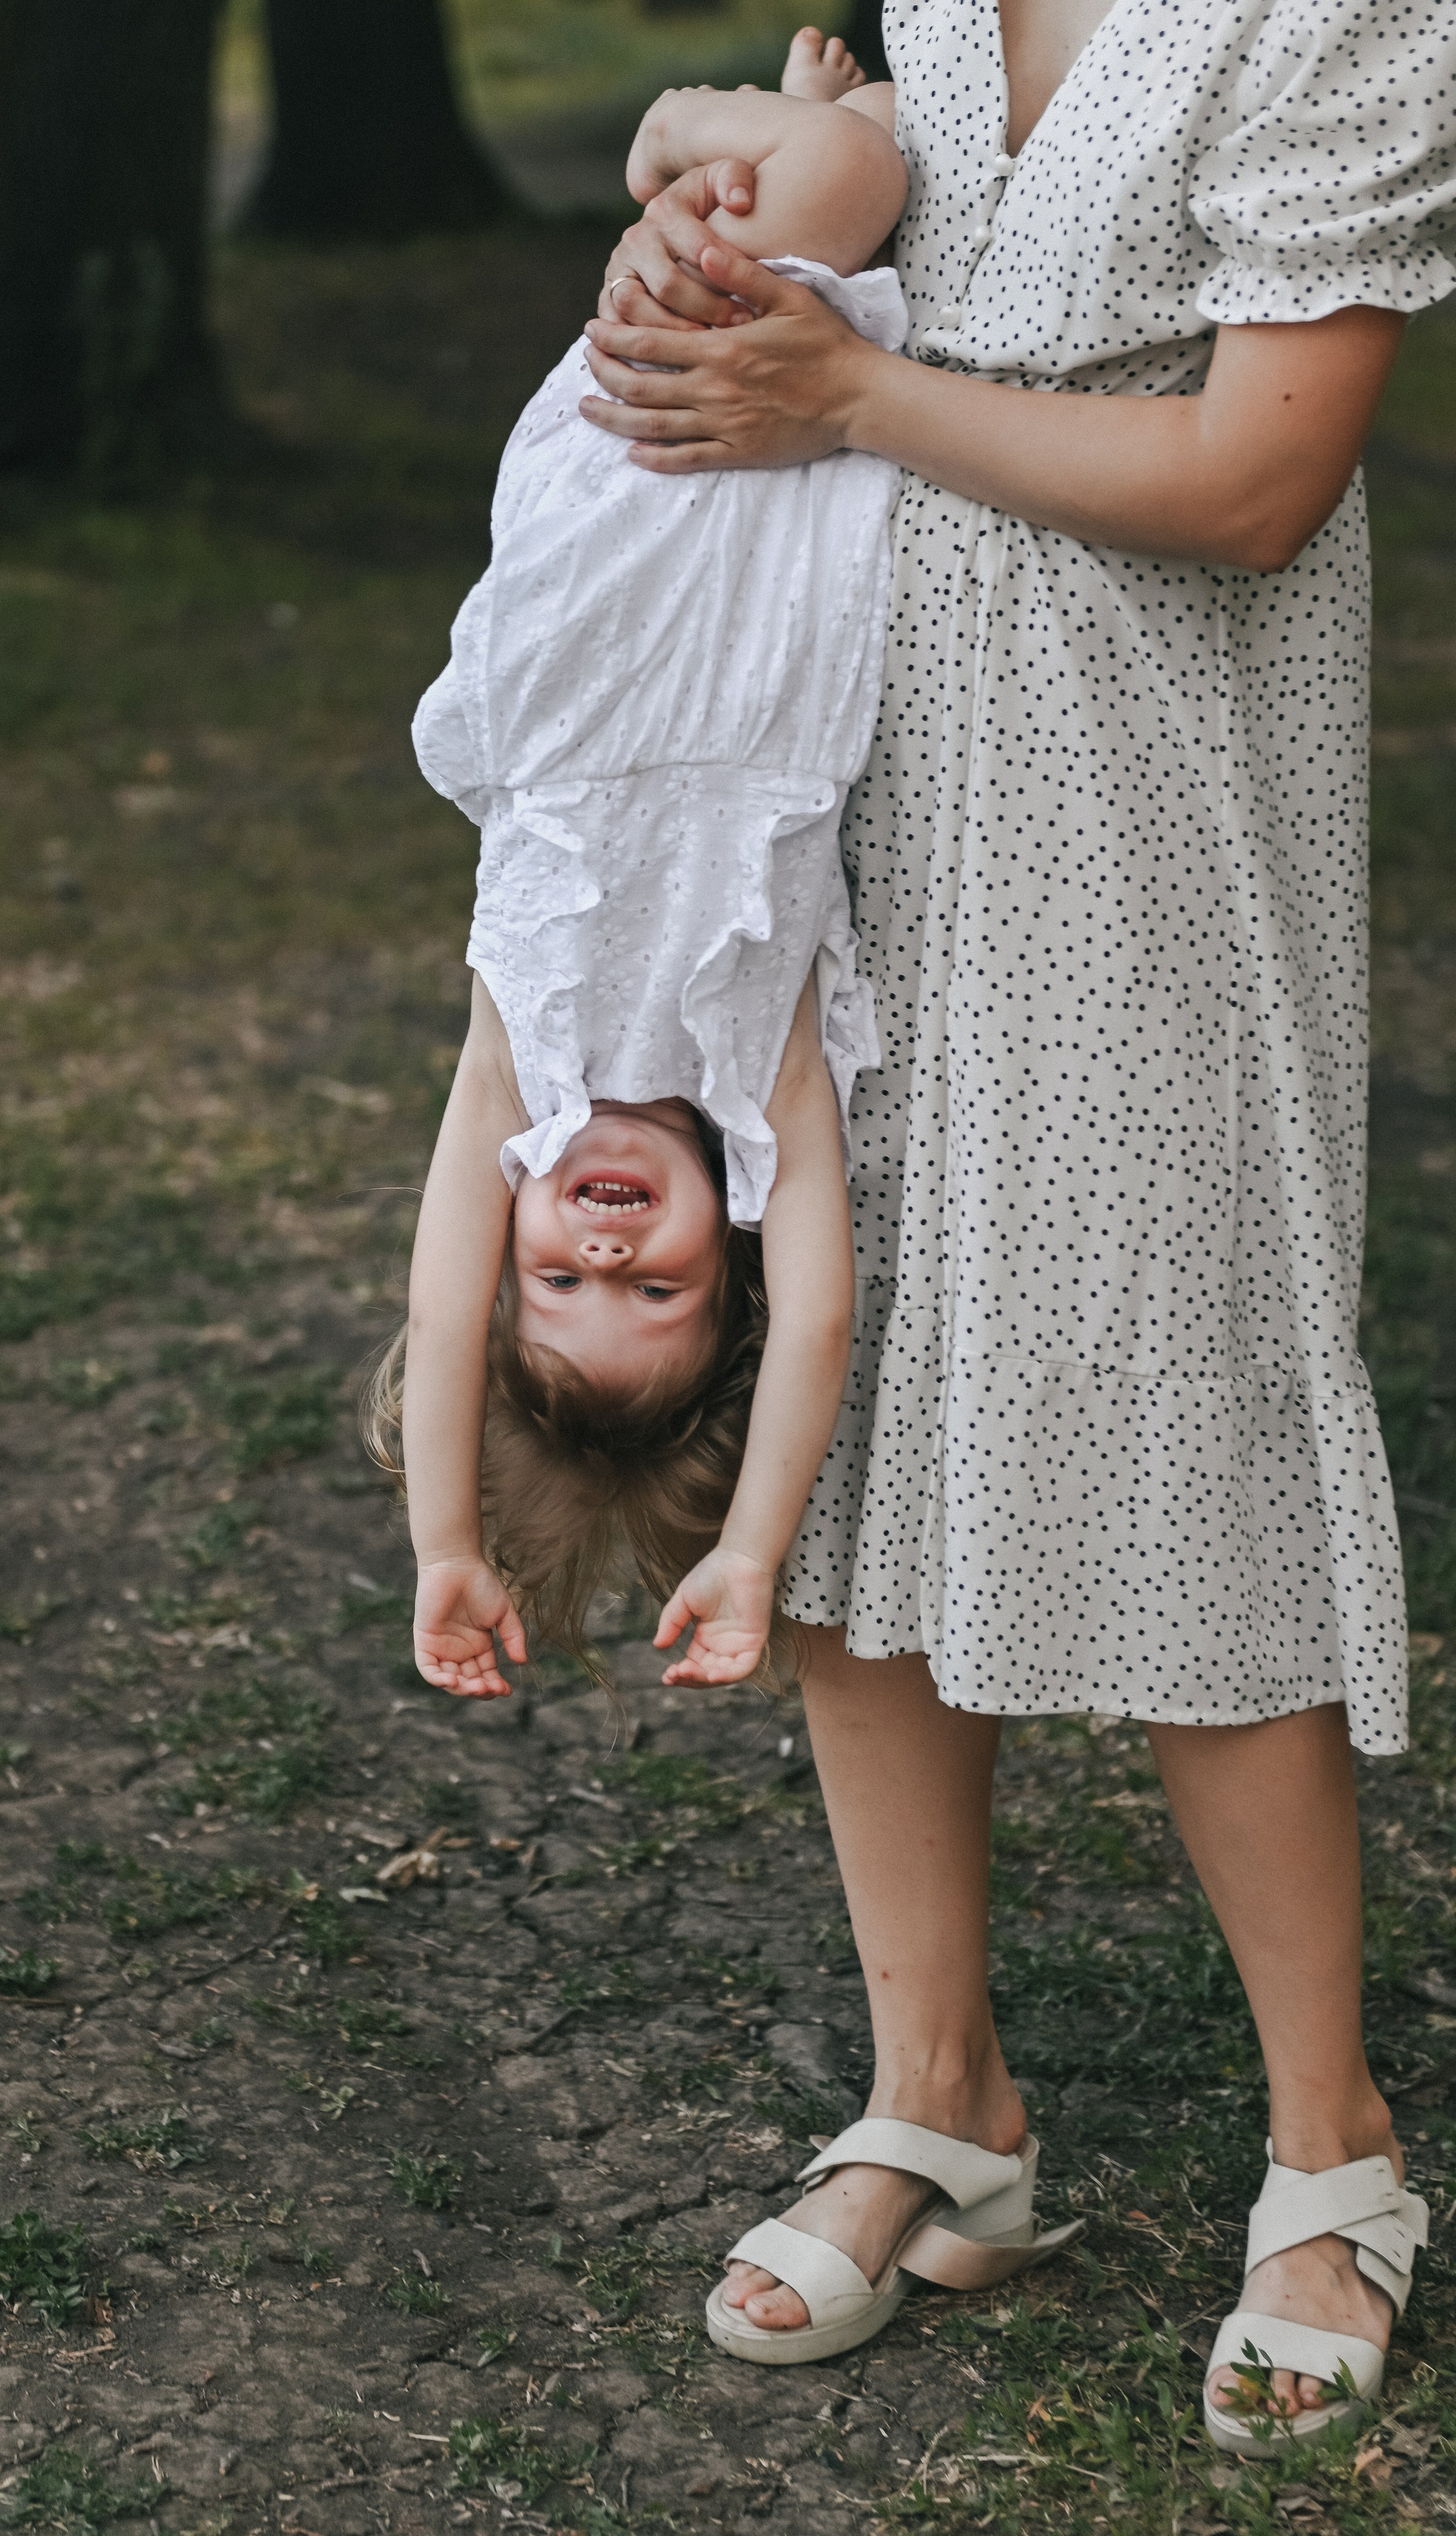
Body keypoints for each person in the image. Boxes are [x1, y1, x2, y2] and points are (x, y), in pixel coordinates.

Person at [576, 3, 1455, 2453]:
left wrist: (849, 403)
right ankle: (940, 2094)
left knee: (1186, 1407)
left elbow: (1266, 469)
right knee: (857, 1415)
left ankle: (1330, 2147)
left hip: (1151, 797)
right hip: (862, 774)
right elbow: (825, 208)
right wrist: (705, 260)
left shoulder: (1342, 13)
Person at [367, 66, 914, 1704]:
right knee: (860, 150)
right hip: (759, 561)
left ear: (511, 1241)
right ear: (727, 1257)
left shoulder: (516, 1078)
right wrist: (748, 1554)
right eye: (655, 1286)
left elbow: (436, 1302)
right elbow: (816, 1324)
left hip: (608, 533)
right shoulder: (767, 1089)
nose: (603, 1248)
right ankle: (742, 138)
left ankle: (676, 134)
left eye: (560, 1276)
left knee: (834, 174)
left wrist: (441, 1543)